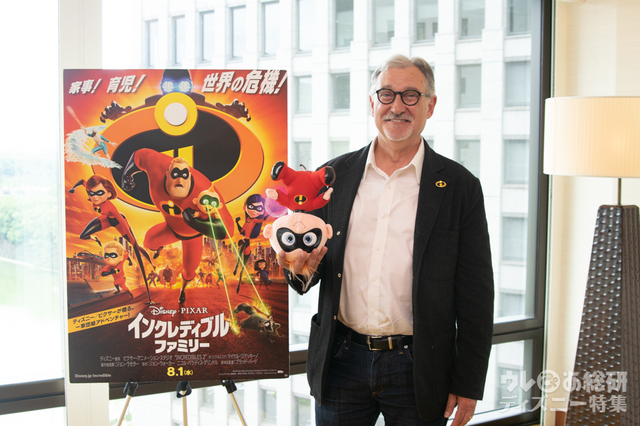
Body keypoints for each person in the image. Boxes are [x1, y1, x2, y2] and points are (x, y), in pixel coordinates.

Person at [279, 54, 494, 426]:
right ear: (372, 103)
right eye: (387, 94)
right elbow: (308, 267)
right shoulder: (332, 176)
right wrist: (299, 269)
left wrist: (468, 382)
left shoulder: (460, 187)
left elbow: (476, 293)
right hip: (340, 360)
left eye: (411, 95)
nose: (397, 106)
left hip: (419, 366)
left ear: (430, 106)